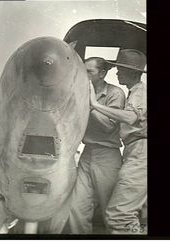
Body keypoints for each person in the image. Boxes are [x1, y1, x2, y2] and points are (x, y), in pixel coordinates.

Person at [89, 49, 147, 234]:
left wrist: (95, 105)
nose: (117, 72)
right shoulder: (134, 92)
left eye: (121, 69)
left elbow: (130, 118)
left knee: (118, 215)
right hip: (134, 151)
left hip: (140, 151)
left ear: (133, 72)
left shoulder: (140, 91)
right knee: (122, 214)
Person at [68, 57, 126, 234]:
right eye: (83, 71)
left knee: (111, 210)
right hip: (87, 154)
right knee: (77, 207)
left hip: (108, 156)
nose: (84, 76)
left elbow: (109, 126)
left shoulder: (115, 93)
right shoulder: (78, 92)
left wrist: (91, 104)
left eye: (89, 72)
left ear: (102, 73)